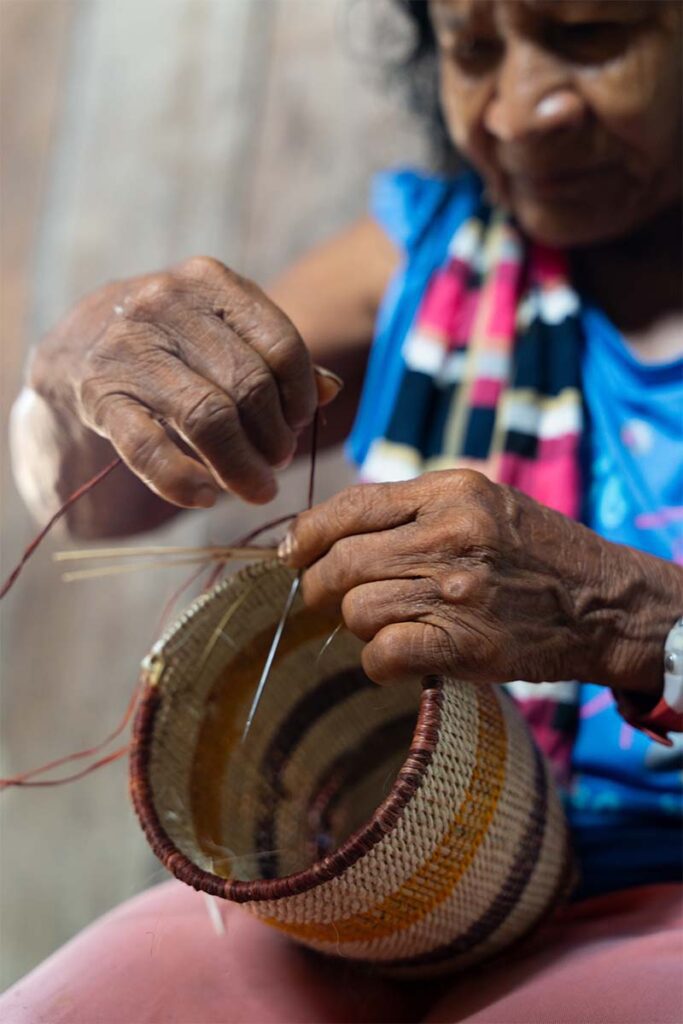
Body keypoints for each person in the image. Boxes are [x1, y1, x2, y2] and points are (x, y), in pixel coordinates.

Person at [4, 1, 682, 1021]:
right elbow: (96, 502)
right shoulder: (431, 250)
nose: (516, 112)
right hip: (383, 883)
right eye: (470, 50)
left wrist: (628, 621)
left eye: (588, 33)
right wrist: (75, 382)